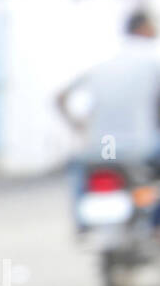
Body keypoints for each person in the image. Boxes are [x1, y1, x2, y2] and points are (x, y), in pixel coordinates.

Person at [58, 10, 160, 169]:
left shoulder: (106, 57)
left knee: (85, 170)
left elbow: (60, 97)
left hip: (105, 147)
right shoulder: (150, 56)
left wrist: (78, 125)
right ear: (143, 28)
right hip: (140, 147)